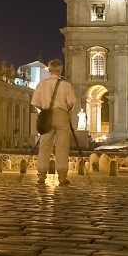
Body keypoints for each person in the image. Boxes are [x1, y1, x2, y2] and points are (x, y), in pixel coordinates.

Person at [32, 58, 79, 186]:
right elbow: (70, 103)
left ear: (49, 70)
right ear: (60, 70)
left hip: (46, 115)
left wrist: (45, 110)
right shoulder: (66, 85)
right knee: (62, 147)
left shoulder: (41, 84)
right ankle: (62, 177)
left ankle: (41, 175)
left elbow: (35, 102)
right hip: (62, 115)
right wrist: (64, 110)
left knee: (44, 146)